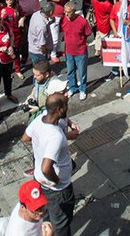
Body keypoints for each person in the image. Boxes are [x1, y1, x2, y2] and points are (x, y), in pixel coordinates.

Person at [22, 93, 78, 236]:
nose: (67, 106)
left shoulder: (38, 121)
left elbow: (25, 137)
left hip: (40, 182)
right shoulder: (56, 136)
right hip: (58, 189)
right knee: (61, 223)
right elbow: (46, 168)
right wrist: (57, 180)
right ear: (59, 109)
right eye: (66, 104)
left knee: (45, 218)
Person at [59, 2, 92, 100]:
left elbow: (88, 33)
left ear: (74, 11)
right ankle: (73, 88)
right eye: (65, 12)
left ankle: (82, 89)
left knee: (82, 73)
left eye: (68, 12)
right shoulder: (64, 19)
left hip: (80, 52)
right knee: (70, 71)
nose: (66, 14)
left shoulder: (82, 21)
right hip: (68, 51)